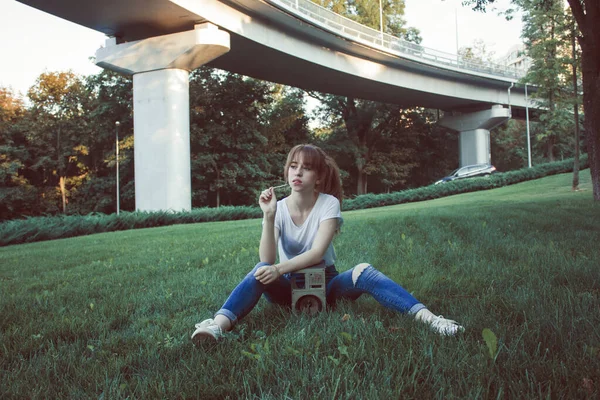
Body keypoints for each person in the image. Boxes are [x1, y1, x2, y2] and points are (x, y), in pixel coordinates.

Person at [192, 144, 463, 340]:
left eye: (307, 168)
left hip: (327, 284)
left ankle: (431, 320)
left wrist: (277, 268)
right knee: (258, 271)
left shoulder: (329, 203)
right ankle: (217, 326)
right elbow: (267, 258)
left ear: (318, 177)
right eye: (293, 166)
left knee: (364, 270)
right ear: (287, 172)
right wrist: (269, 216)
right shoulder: (279, 208)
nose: (297, 173)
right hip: (289, 287)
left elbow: (317, 253)